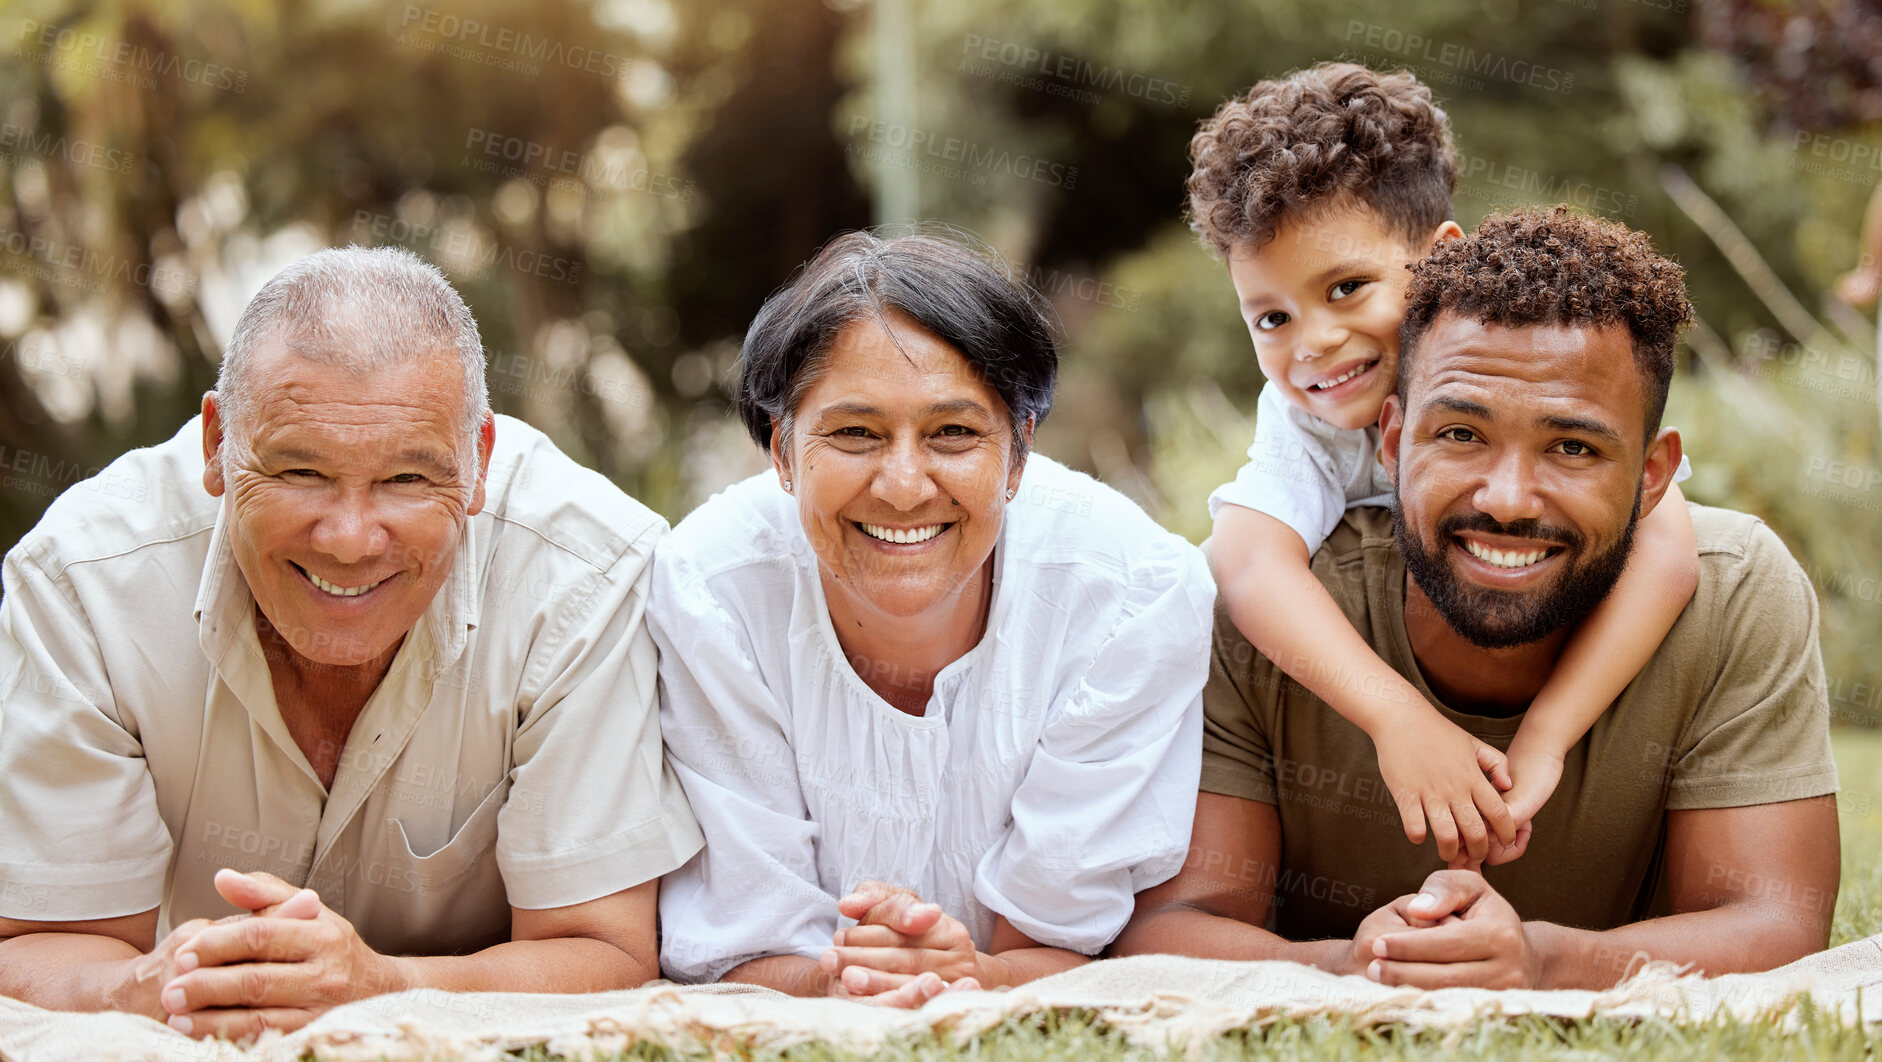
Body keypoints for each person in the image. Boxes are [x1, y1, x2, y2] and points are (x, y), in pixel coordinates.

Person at [1114, 208, 1841, 988]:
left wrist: (1541, 959)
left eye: (1573, 447)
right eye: (1460, 434)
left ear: (1655, 478)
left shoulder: (1733, 591)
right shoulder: (1257, 610)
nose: (1508, 499)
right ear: (1391, 443)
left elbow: (1775, 923)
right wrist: (1351, 962)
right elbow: (1169, 929)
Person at [0, 247, 702, 1039]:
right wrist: (151, 985)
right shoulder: (84, 581)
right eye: (300, 472)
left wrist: (380, 987)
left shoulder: (584, 576)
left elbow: (602, 953)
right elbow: (40, 946)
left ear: (478, 464)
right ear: (216, 445)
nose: (348, 539)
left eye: (407, 481)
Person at [652, 231, 1215, 1008]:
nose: (905, 485)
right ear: (782, 451)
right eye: (855, 433)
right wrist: (851, 976)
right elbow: (744, 941)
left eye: (954, 433)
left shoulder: (1132, 595)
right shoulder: (711, 591)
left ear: (1018, 454)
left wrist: (978, 974)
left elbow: (1057, 941)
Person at [1193, 63, 1699, 866]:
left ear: (1437, 261)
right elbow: (1245, 563)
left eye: (1348, 288)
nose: (1312, 342)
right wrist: (1397, 718)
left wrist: (1548, 736)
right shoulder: (1304, 419)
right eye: (1272, 317)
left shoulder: (1523, 357)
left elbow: (1667, 550)